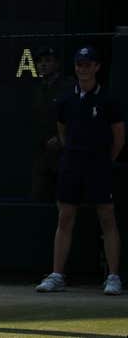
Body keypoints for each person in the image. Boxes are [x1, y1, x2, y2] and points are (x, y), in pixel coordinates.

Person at [36, 46, 125, 295]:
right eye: (79, 65)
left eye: (87, 65)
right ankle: (57, 275)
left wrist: (104, 161)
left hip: (99, 166)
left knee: (107, 218)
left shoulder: (109, 100)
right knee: (64, 217)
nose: (83, 69)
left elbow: (119, 137)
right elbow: (63, 132)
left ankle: (114, 277)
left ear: (96, 67)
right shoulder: (66, 100)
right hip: (71, 165)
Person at [31, 46, 74, 202]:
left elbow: (76, 118)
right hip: (43, 156)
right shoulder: (37, 90)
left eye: (48, 61)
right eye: (39, 62)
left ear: (57, 64)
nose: (43, 65)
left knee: (66, 203)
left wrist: (61, 138)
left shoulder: (69, 87)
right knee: (38, 200)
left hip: (65, 156)